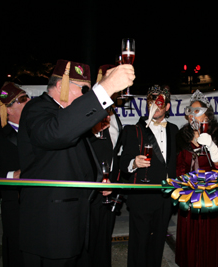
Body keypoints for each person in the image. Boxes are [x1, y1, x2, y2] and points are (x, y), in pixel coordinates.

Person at [17, 59, 135, 266]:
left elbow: (77, 157)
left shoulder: (64, 117)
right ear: (62, 85)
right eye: (83, 89)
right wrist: (104, 89)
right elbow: (55, 134)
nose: (85, 96)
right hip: (51, 228)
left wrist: (99, 180)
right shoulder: (38, 108)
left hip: (72, 224)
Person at [119, 85, 178, 267]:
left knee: (157, 243)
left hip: (165, 197)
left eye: (160, 102)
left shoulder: (175, 130)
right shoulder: (133, 130)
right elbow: (123, 162)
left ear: (167, 107)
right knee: (139, 244)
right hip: (142, 197)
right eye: (152, 101)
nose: (156, 105)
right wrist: (134, 163)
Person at [175, 89, 218, 267]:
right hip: (191, 200)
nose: (192, 115)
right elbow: (179, 169)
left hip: (213, 200)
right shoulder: (182, 137)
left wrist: (212, 147)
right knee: (192, 245)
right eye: (190, 111)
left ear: (207, 114)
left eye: (197, 111)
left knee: (212, 245)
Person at [0, 82, 30, 267]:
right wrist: (13, 175)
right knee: (17, 252)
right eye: (21, 99)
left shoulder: (39, 130)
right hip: (15, 205)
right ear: (7, 110)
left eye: (25, 96)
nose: (27, 101)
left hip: (41, 203)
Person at [88, 64, 123, 267]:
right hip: (93, 188)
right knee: (90, 239)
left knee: (104, 237)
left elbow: (114, 151)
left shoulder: (114, 114)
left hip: (112, 188)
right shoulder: (90, 112)